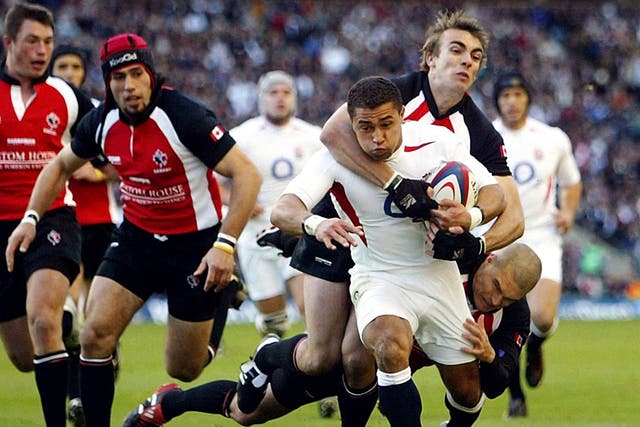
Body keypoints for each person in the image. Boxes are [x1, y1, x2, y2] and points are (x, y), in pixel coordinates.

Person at [261, 9, 522, 426]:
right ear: (429, 58)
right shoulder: (390, 93)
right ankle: (274, 363)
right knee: (336, 355)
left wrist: (473, 230)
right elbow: (331, 135)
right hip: (345, 232)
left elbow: (511, 211)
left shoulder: (467, 134)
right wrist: (394, 187)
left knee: (459, 384)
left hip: (425, 262)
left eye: (475, 55)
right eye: (456, 50)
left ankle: (270, 371)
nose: (466, 61)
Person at [5, 32, 261, 427]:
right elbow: (58, 166)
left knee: (184, 368)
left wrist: (224, 246)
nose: (128, 86)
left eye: (136, 74)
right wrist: (30, 218)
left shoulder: (184, 115)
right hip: (136, 240)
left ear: (151, 75)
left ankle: (223, 293)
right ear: (108, 83)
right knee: (94, 336)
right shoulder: (101, 121)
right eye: (118, 77)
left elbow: (246, 174)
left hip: (194, 246)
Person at [120, 241, 541, 427]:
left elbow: (498, 381)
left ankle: (177, 397)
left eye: (509, 299)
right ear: (491, 261)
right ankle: (170, 403)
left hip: (387, 372)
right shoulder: (451, 260)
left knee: (254, 410)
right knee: (246, 413)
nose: (496, 302)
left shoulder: (512, 315)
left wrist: (488, 356)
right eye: (497, 289)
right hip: (362, 345)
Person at [0, 3, 95, 426]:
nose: (42, 51)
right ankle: (67, 335)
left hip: (52, 219)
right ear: (9, 42)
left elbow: (110, 138)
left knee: (43, 319)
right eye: (32, 41)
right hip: (2, 228)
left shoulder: (68, 95)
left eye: (48, 42)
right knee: (23, 356)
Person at [491, 70, 582, 417]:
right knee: (507, 320)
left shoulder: (553, 138)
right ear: (498, 101)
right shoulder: (486, 136)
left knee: (541, 318)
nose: (512, 102)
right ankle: (516, 396)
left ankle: (538, 346)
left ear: (527, 98)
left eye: (517, 95)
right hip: (503, 234)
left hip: (542, 234)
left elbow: (572, 182)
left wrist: (569, 212)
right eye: (505, 96)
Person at [50, 43, 121, 425]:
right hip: (60, 220)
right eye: (62, 65)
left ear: (83, 72)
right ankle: (76, 396)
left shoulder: (99, 111)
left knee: (97, 317)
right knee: (70, 315)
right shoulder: (42, 111)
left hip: (98, 220)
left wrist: (90, 172)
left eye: (75, 66)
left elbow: (122, 165)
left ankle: (91, 389)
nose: (68, 72)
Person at [227, 70, 322, 337]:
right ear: (261, 98)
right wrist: (241, 202)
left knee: (310, 309)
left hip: (298, 233)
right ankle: (273, 370)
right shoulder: (241, 137)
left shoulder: (314, 137)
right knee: (274, 321)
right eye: (273, 92)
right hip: (256, 236)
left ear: (294, 97)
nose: (280, 98)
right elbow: (214, 180)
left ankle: (316, 370)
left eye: (286, 92)